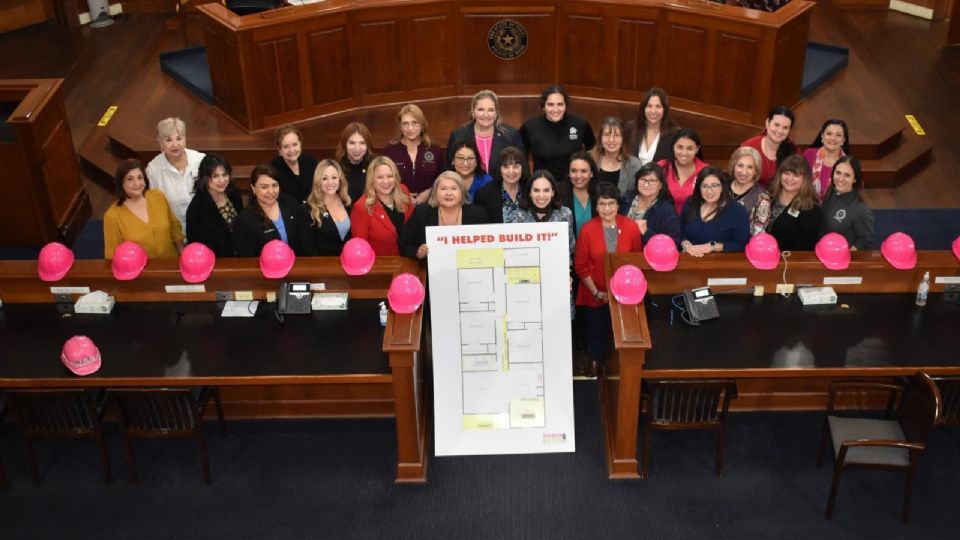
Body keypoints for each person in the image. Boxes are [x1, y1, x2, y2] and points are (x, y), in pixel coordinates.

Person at [574, 182, 642, 373]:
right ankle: (595, 363)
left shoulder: (630, 227)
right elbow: (581, 265)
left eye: (611, 203)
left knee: (619, 333)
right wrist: (596, 292)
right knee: (595, 331)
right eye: (602, 204)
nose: (606, 209)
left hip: (625, 296)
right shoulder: (587, 229)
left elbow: (636, 259)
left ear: (618, 205)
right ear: (596, 206)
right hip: (594, 294)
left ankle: (617, 369)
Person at [104, 159, 184, 259]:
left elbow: (174, 228)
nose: (137, 183)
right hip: (140, 271)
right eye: (130, 179)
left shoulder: (158, 196)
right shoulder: (112, 216)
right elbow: (112, 255)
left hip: (170, 263)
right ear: (121, 184)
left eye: (140, 177)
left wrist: (183, 255)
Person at [232, 164, 317, 257]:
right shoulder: (244, 220)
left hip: (297, 265)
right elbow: (246, 258)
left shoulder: (290, 203)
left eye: (274, 185)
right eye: (264, 187)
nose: (271, 191)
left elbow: (306, 239)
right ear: (253, 188)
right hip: (263, 270)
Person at [400, 172, 488, 260]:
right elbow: (404, 245)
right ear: (435, 192)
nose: (449, 193)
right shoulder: (421, 212)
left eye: (454, 188)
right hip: (430, 270)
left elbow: (488, 247)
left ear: (462, 192)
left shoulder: (478, 214)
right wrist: (418, 253)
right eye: (443, 189)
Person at [520, 85, 596, 185]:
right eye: (550, 104)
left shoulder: (580, 124)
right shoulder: (529, 127)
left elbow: (593, 152)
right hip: (542, 187)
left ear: (566, 105)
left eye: (560, 104)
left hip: (574, 184)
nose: (555, 109)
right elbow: (521, 159)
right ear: (543, 106)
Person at [144, 117, 205, 234]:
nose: (175, 144)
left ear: (185, 140)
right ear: (160, 143)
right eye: (168, 140)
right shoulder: (153, 169)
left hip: (204, 228)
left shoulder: (201, 160)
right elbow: (155, 206)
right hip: (173, 232)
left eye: (179, 138)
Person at [446, 89, 524, 176]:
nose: (486, 115)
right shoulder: (458, 135)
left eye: (491, 110)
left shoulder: (511, 135)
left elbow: (522, 169)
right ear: (473, 112)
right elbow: (449, 171)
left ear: (496, 113)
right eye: (481, 109)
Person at [679, 167, 750, 256]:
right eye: (704, 186)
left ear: (723, 186)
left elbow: (741, 245)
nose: (709, 191)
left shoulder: (738, 211)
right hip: (689, 258)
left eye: (714, 185)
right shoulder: (691, 202)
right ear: (699, 187)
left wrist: (713, 246)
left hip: (720, 263)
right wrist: (685, 244)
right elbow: (679, 231)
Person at [382, 104, 444, 205]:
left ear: (422, 125)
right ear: (400, 127)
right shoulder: (389, 151)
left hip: (430, 204)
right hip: (399, 205)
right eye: (405, 124)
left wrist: (429, 192)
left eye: (415, 123)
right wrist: (402, 193)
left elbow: (442, 178)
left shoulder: (435, 149)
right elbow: (384, 179)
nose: (410, 128)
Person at [350, 156, 413, 256]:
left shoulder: (403, 191)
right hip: (382, 264)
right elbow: (360, 247)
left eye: (389, 176)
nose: (386, 181)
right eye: (380, 177)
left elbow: (414, 226)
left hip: (410, 258)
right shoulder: (361, 207)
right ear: (372, 180)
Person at [185, 153, 244, 257]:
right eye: (215, 176)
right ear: (205, 178)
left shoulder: (233, 192)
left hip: (238, 254)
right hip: (215, 261)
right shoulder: (196, 208)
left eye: (225, 174)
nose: (222, 180)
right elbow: (196, 244)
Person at [766, 155, 822, 251]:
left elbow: (806, 247)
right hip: (763, 255)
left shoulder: (811, 208)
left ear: (805, 179)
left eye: (796, 175)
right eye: (787, 173)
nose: (790, 178)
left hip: (789, 261)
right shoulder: (769, 196)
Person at [819, 155, 874, 251]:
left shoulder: (861, 210)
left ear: (855, 179)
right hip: (820, 249)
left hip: (838, 260)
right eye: (838, 173)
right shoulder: (830, 192)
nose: (840, 179)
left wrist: (845, 256)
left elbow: (865, 240)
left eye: (847, 175)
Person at [517, 170, 575, 259]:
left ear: (553, 192)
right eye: (536, 190)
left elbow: (570, 246)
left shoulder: (565, 214)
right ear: (529, 192)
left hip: (557, 267)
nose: (541, 195)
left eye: (546, 190)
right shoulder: (518, 216)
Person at [620, 163, 682, 246]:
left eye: (652, 181)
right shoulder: (627, 198)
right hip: (621, 250)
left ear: (661, 185)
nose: (646, 184)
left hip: (644, 256)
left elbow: (673, 244)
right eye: (642, 179)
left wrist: (646, 232)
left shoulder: (667, 211)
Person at [741, 105, 799, 188]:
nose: (780, 131)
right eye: (776, 125)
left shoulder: (794, 151)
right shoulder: (749, 147)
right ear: (767, 123)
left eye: (785, 128)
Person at [305, 159, 353, 256]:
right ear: (318, 181)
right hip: (323, 267)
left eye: (334, 177)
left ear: (340, 179)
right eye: (324, 178)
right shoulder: (308, 209)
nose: (330, 182)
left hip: (350, 264)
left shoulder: (348, 202)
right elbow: (308, 248)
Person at [658, 128, 708, 215]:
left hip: (694, 224)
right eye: (680, 147)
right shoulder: (661, 167)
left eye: (689, 148)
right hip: (663, 223)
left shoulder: (706, 171)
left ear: (697, 149)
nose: (684, 153)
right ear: (673, 147)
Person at [624, 87, 679, 167]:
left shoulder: (675, 134)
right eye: (649, 106)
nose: (653, 111)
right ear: (643, 108)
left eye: (658, 106)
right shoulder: (630, 128)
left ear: (665, 109)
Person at [474, 146, 527, 224]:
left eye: (516, 166)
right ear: (499, 169)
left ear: (522, 168)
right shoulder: (484, 194)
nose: (511, 171)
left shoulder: (531, 190)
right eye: (506, 167)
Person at [591, 116, 642, 196]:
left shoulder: (634, 165)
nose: (611, 140)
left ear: (623, 139)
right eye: (607, 135)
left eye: (616, 135)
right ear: (600, 138)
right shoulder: (588, 159)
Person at [727, 146, 772, 236]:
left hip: (743, 246)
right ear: (733, 166)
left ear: (755, 171)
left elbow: (758, 233)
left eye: (750, 167)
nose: (744, 172)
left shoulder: (762, 197)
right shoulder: (721, 186)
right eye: (740, 166)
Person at [269, 124, 318, 204]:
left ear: (300, 144)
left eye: (295, 144)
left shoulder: (311, 162)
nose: (291, 150)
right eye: (286, 147)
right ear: (279, 149)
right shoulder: (272, 170)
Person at [803, 119, 850, 202]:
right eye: (829, 134)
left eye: (838, 135)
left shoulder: (849, 163)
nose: (833, 138)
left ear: (844, 139)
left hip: (836, 209)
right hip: (807, 205)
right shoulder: (808, 154)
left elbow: (855, 189)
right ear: (822, 136)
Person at [336, 122, 376, 203]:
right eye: (352, 143)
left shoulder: (376, 166)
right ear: (344, 144)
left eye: (362, 143)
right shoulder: (335, 168)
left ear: (368, 145)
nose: (357, 148)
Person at [562, 151, 599, 238]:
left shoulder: (600, 194)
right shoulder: (559, 195)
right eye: (573, 171)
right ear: (569, 173)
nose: (578, 176)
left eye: (584, 171)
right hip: (570, 250)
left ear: (591, 173)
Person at [447, 138, 492, 204]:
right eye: (460, 158)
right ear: (453, 160)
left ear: (476, 162)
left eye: (470, 158)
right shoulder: (443, 182)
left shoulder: (487, 182)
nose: (465, 163)